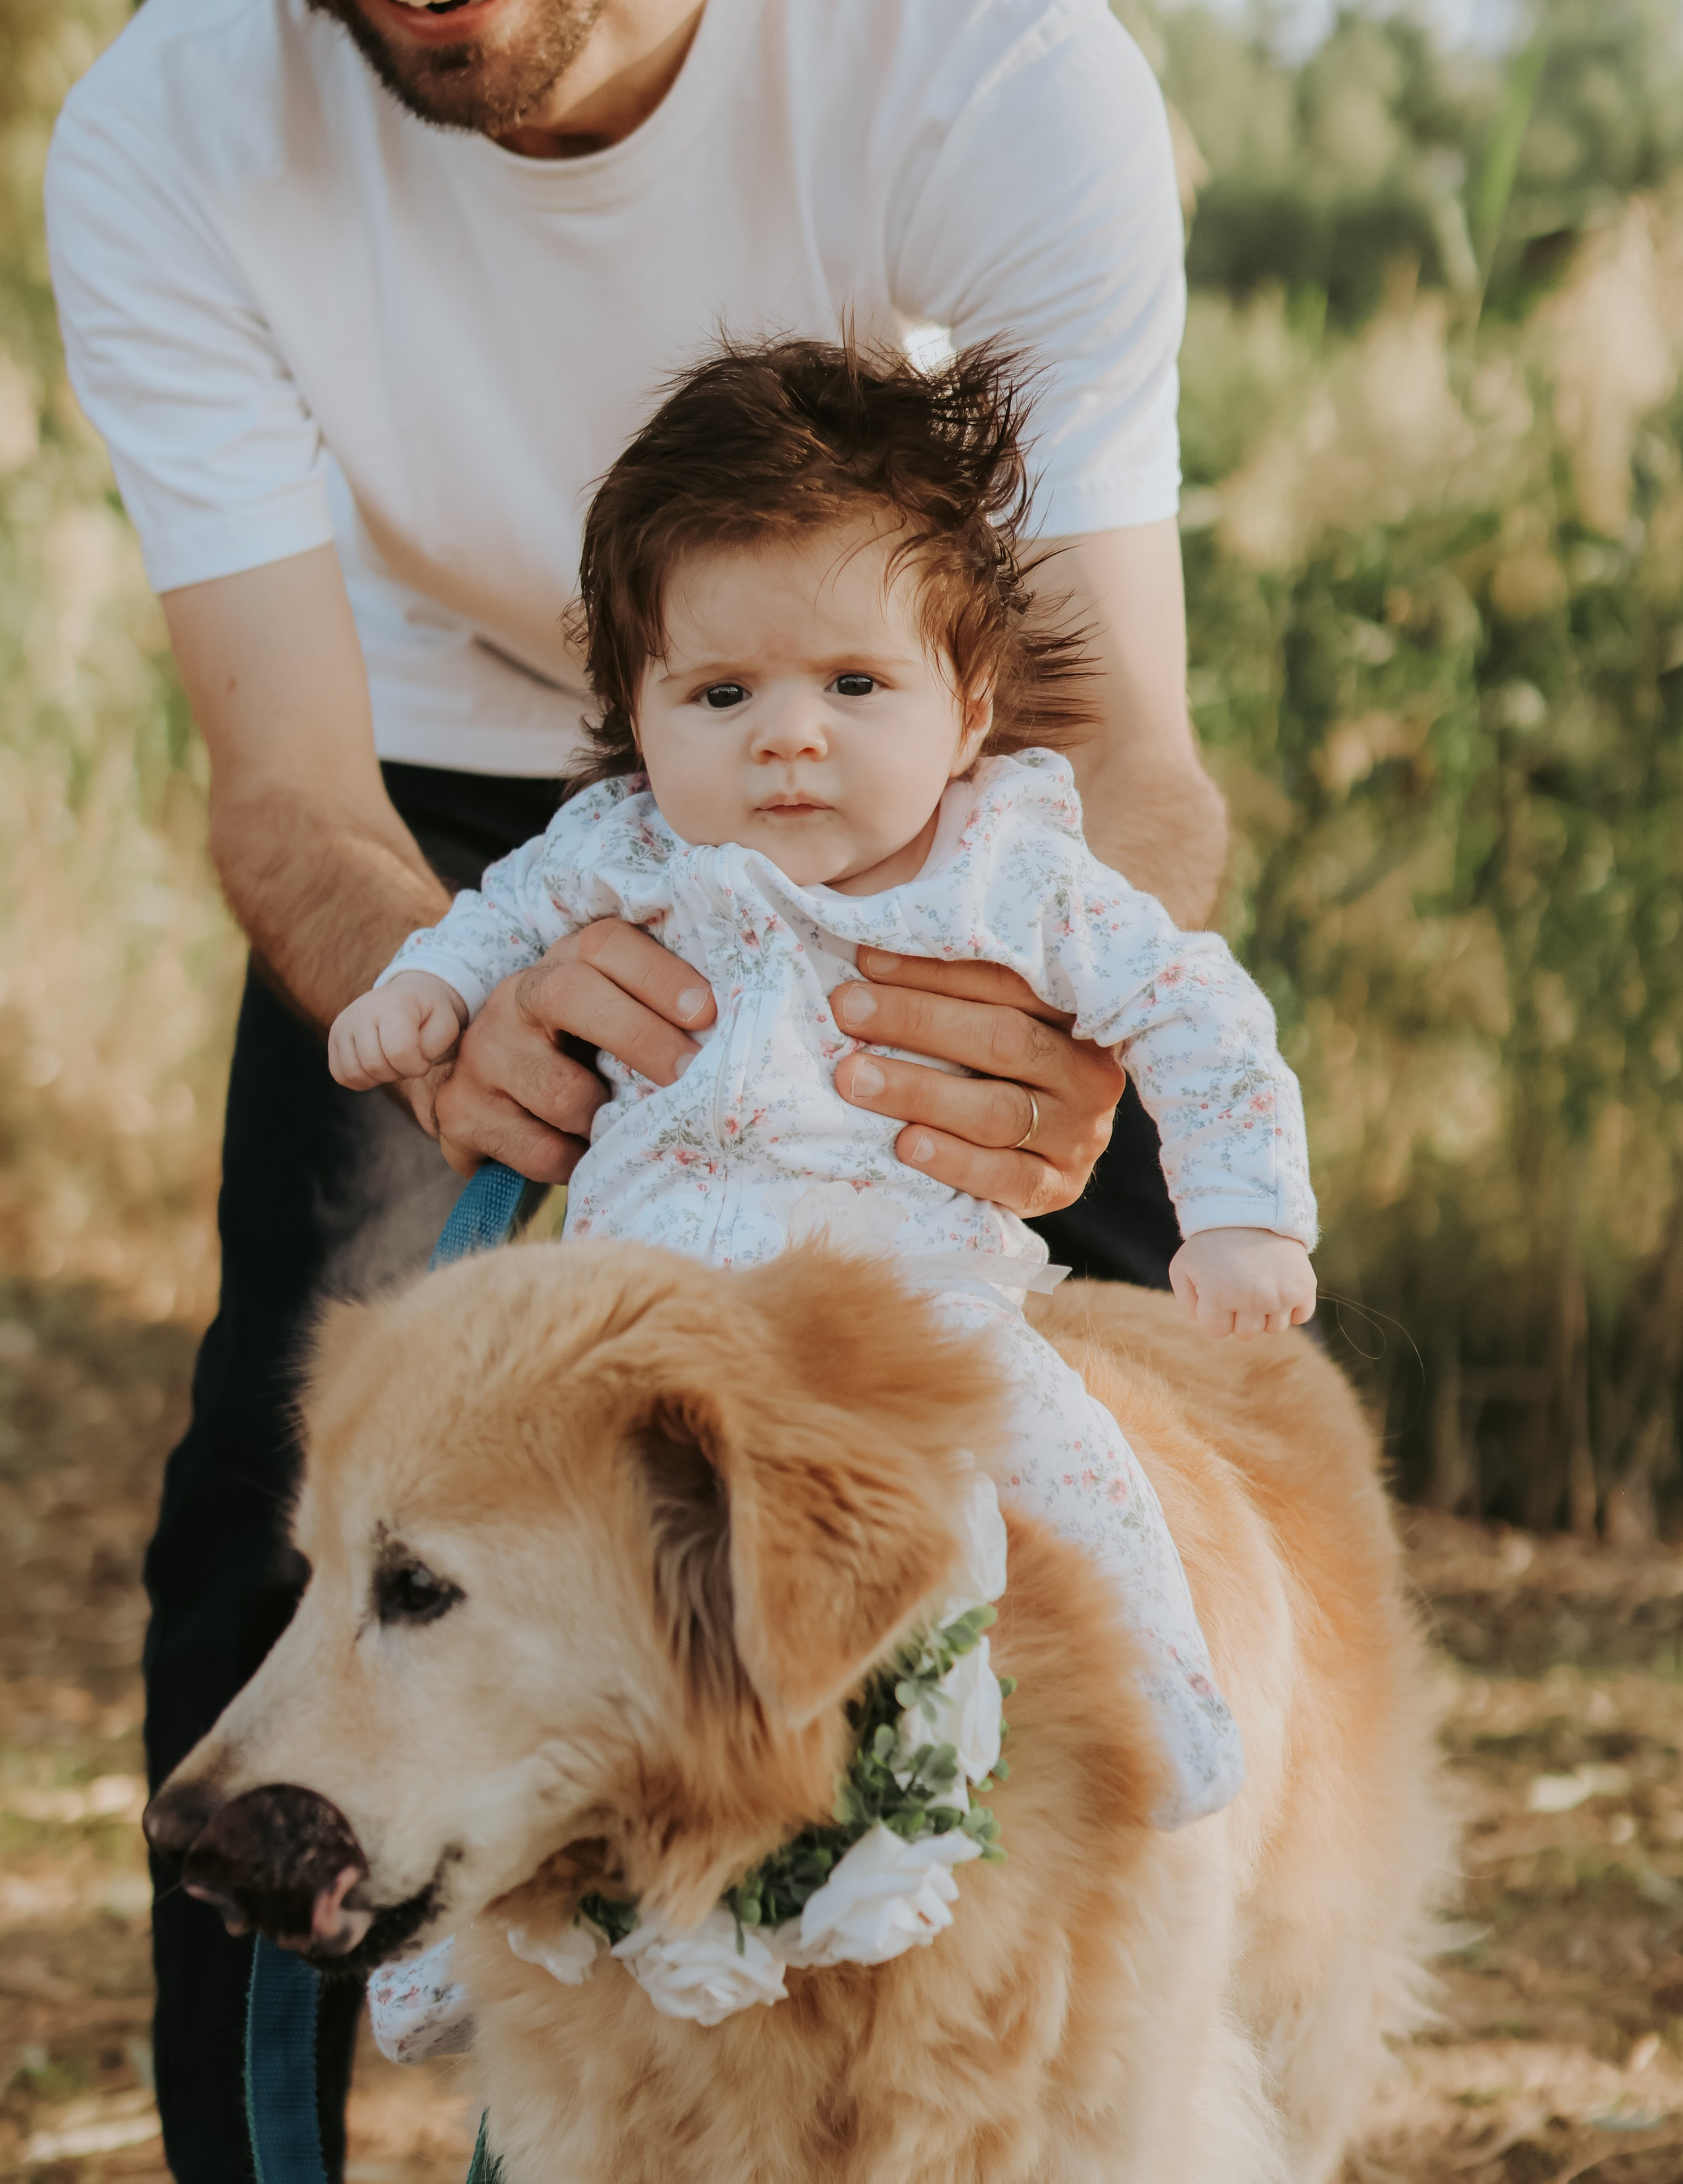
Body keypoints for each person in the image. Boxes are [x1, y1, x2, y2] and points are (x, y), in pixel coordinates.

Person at [45, 0, 1227, 2172]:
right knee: (288, 1435)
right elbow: (283, 778)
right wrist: (438, 1014)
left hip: (884, 769)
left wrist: (1060, 1029)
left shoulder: (979, 53)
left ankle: (1105, 2063)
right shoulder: (165, 133)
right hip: (459, 796)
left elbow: (1126, 749)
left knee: (1083, 1450)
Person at [335, 333, 1314, 2064]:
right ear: (639, 720)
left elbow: (1194, 1005)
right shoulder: (629, 848)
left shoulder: (1014, 868)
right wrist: (425, 997)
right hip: (635, 1318)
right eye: (721, 698)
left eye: (855, 688)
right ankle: (439, 1934)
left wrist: (1239, 1211)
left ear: (971, 705)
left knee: (1071, 1477)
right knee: (496, 1582)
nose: (789, 740)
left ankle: (1173, 1744)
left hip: (910, 1313)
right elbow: (486, 933)